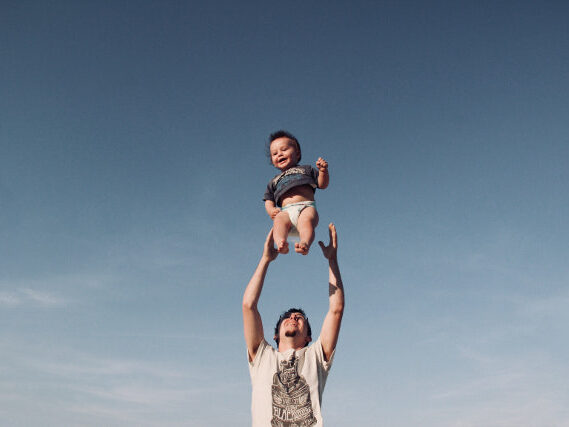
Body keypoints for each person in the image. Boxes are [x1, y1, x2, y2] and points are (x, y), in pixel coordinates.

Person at [243, 223, 344, 426]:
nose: (294, 318)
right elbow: (248, 305)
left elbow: (336, 309)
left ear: (308, 337)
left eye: (300, 318)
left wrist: (332, 260)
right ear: (275, 335)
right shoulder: (262, 356)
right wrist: (265, 260)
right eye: (288, 317)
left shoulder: (315, 356)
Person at [263, 130, 329, 255]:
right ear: (272, 161)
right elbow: (268, 199)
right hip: (286, 211)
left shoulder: (306, 169)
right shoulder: (274, 181)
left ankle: (304, 243)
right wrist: (271, 210)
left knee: (306, 221)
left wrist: (323, 172)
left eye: (284, 150)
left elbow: (322, 184)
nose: (279, 154)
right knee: (278, 221)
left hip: (306, 206)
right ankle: (281, 243)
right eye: (275, 153)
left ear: (297, 153)